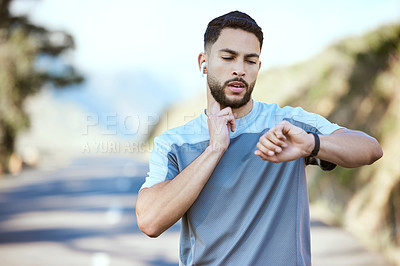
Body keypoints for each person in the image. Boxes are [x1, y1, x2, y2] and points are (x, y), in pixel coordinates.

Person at [136, 11, 383, 265]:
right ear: (204, 62)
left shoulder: (288, 125)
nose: (239, 70)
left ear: (258, 67)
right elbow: (150, 221)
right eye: (228, 57)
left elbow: (370, 149)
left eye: (250, 61)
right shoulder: (174, 143)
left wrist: (311, 143)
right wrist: (215, 148)